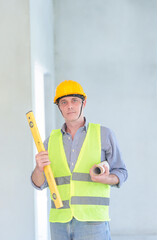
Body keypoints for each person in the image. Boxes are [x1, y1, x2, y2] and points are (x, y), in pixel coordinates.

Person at [31, 80, 128, 240]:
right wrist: (38, 168)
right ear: (59, 107)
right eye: (64, 102)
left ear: (84, 102)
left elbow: (122, 172)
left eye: (74, 100)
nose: (69, 106)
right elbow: (39, 183)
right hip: (59, 222)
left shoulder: (103, 134)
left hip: (92, 222)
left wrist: (106, 178)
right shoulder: (50, 141)